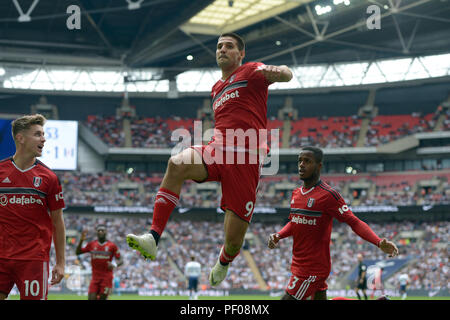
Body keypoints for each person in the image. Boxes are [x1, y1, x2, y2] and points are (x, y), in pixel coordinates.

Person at [127, 32, 293, 286]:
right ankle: (153, 237)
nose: (222, 50)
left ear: (241, 54)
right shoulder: (216, 88)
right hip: (217, 148)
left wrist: (281, 72)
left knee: (234, 241)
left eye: (229, 46)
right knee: (176, 163)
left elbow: (286, 74)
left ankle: (224, 261)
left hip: (246, 160)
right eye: (219, 46)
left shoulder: (251, 71)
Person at [267, 146, 399, 300]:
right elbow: (295, 222)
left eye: (307, 161)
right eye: (300, 161)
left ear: (319, 166)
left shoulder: (329, 195)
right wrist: (279, 235)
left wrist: (378, 242)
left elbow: (354, 222)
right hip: (298, 263)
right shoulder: (296, 193)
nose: (301, 165)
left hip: (312, 268)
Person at [0, 114, 66, 300]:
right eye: (37, 134)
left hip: (33, 259)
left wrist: (61, 263)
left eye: (43, 134)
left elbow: (58, 223)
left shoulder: (49, 178)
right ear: (20, 138)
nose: (43, 139)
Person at [76, 224, 123, 300]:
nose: (100, 232)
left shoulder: (112, 245)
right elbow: (78, 252)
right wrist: (81, 240)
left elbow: (121, 260)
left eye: (102, 230)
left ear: (106, 232)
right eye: (99, 230)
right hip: (95, 277)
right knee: (91, 298)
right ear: (96, 232)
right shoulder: (91, 244)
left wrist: (114, 264)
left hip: (106, 277)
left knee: (102, 299)